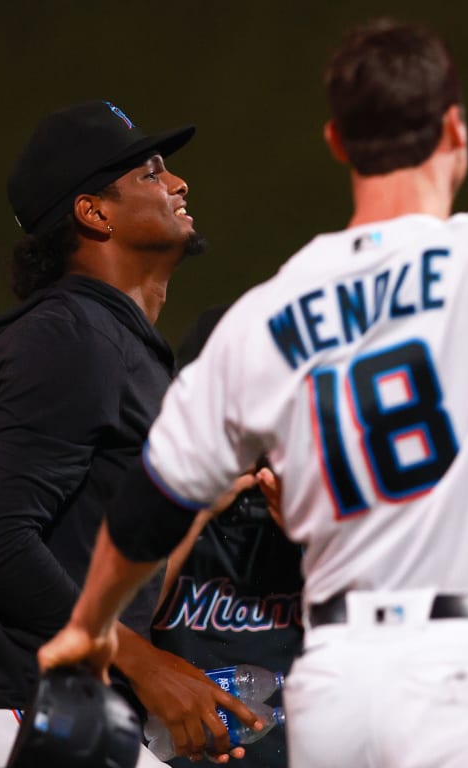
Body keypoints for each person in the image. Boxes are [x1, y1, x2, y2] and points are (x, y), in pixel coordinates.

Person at [38, 5, 468, 766]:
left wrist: (90, 625)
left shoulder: (264, 317)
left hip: (339, 684)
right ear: (455, 131)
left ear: (337, 143)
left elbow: (148, 505)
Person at [0, 100, 263, 765]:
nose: (178, 184)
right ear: (94, 211)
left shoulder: (113, 343)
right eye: (151, 172)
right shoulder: (70, 337)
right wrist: (146, 665)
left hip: (61, 717)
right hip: (16, 718)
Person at [148, 305, 302, 768]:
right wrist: (190, 510)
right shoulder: (151, 496)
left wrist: (313, 532)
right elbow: (115, 629)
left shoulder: (322, 500)